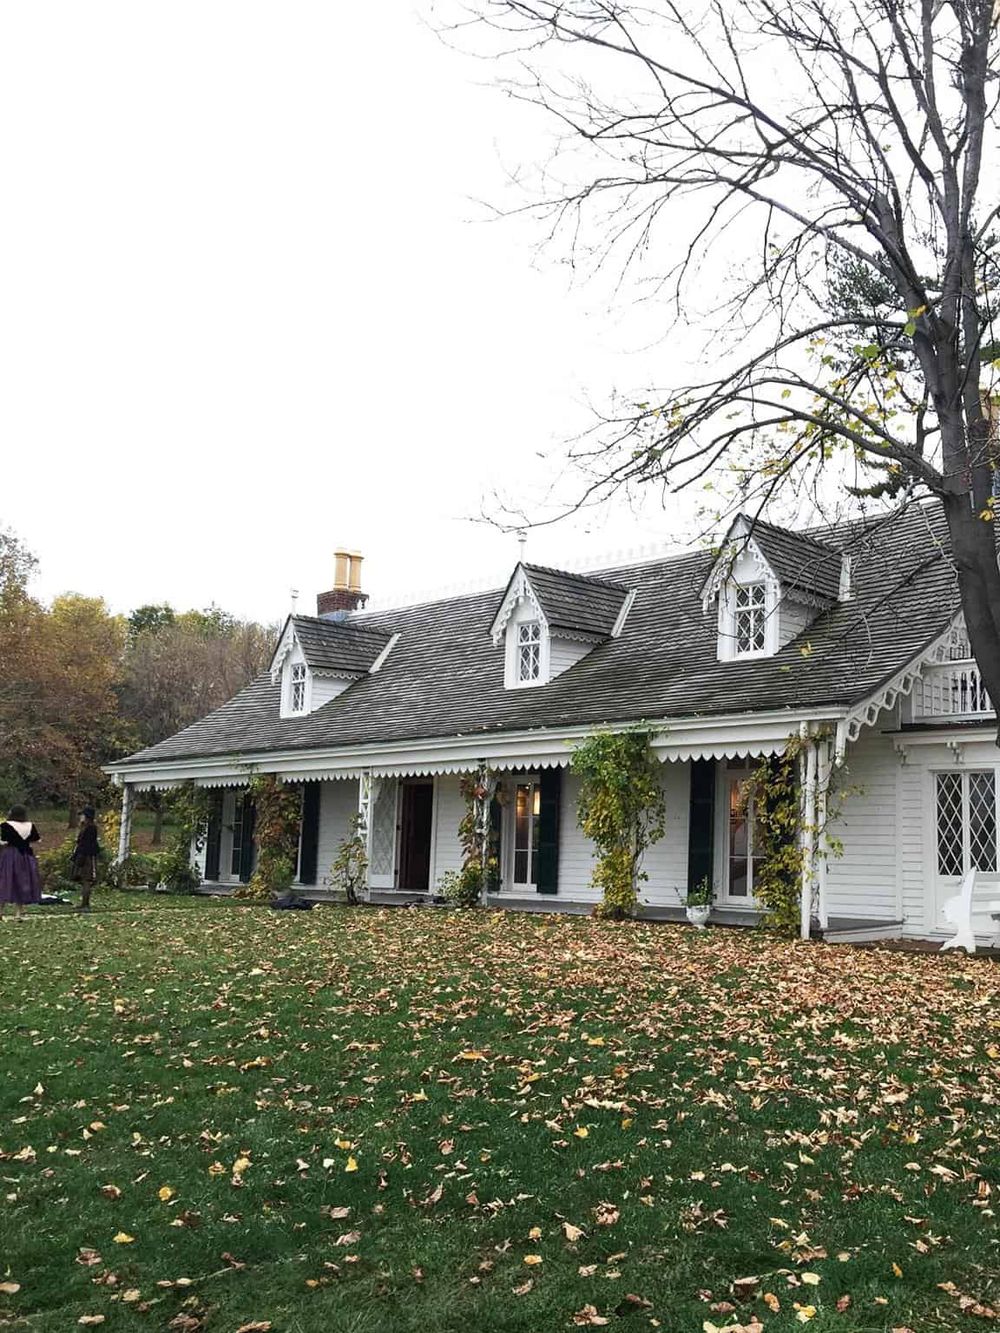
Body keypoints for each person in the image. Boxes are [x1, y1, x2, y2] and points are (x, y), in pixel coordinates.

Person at [0, 805, 41, 920]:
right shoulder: (30, 825)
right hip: (26, 855)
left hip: (10, 855)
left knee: (5, 880)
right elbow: (37, 840)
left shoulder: (5, 825)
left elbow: (3, 841)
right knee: (22, 881)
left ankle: (0, 911)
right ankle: (18, 913)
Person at [71, 806, 100, 911]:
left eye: (83, 815)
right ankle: (83, 903)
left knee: (87, 879)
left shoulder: (91, 828)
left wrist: (81, 855)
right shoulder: (84, 827)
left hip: (87, 856)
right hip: (82, 855)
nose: (81, 817)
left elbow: (86, 843)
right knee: (83, 879)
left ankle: (86, 904)